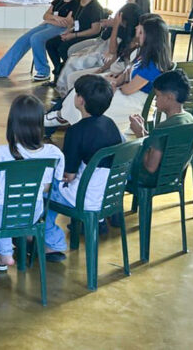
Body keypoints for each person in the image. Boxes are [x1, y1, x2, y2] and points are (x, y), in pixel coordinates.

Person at [0, 95, 61, 284]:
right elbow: (48, 187)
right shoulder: (54, 153)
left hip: (0, 216)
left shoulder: (0, 154)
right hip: (32, 214)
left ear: (12, 124)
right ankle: (4, 255)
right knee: (3, 209)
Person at [44, 75, 125, 261]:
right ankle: (98, 221)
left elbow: (69, 176)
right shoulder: (111, 125)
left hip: (84, 198)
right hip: (108, 196)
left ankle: (51, 243)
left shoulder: (76, 131)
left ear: (80, 100)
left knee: (44, 192)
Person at [48, 16, 173, 133]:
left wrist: (113, 86)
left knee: (91, 96)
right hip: (129, 93)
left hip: (135, 101)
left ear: (150, 38)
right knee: (86, 85)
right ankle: (63, 117)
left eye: (141, 33)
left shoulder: (152, 65)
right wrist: (116, 81)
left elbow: (128, 90)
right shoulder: (144, 55)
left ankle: (63, 118)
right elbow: (127, 74)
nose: (138, 35)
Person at [0, 0, 78, 81]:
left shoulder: (75, 3)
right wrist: (54, 18)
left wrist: (49, 20)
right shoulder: (58, 0)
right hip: (47, 25)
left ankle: (43, 71)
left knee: (36, 38)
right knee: (23, 40)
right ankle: (0, 70)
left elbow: (66, 23)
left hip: (60, 29)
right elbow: (45, 15)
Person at [55, 3, 142, 95]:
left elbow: (113, 52)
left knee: (75, 76)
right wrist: (101, 70)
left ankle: (73, 99)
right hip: (111, 67)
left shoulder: (136, 40)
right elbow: (116, 55)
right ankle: (67, 98)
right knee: (72, 75)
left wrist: (115, 26)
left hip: (116, 73)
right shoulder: (125, 31)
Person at [129, 70, 193, 178]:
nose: (155, 100)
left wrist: (140, 135)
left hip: (149, 180)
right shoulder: (190, 119)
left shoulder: (165, 128)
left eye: (157, 96)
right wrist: (143, 131)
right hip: (172, 177)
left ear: (169, 97)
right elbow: (159, 144)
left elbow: (150, 167)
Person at [45, 0, 106, 83]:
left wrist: (74, 35)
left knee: (63, 48)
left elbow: (95, 30)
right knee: (50, 43)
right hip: (76, 32)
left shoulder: (94, 7)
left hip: (87, 36)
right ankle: (59, 69)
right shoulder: (79, 4)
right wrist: (68, 31)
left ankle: (65, 70)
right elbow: (75, 22)